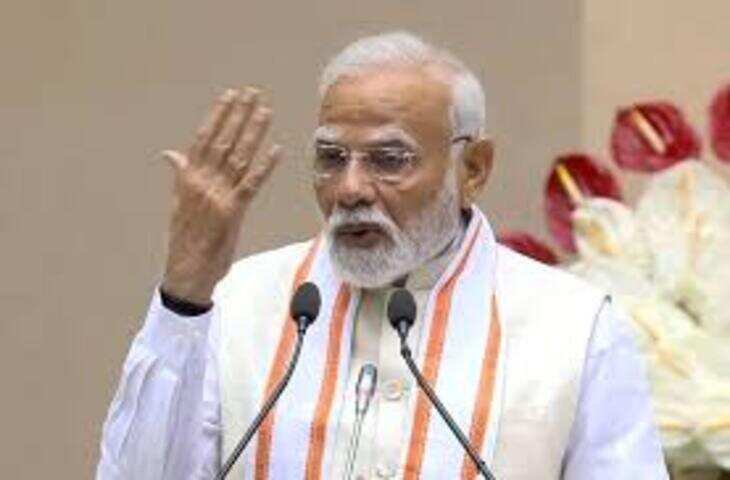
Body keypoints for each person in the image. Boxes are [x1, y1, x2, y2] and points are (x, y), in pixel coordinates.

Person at [96, 31, 669, 479]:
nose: (349, 189)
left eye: (389, 160)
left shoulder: (574, 328)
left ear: (473, 170)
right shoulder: (241, 302)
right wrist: (184, 295)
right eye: (331, 158)